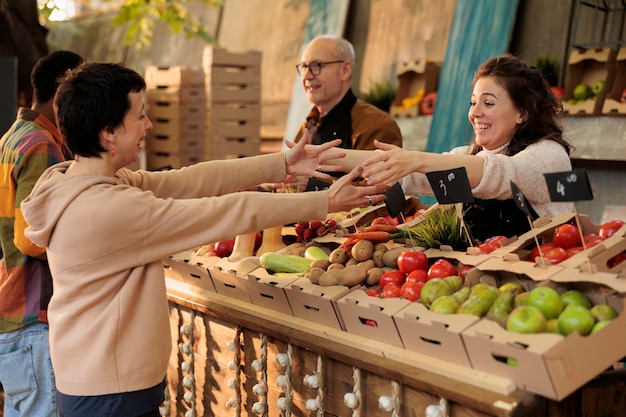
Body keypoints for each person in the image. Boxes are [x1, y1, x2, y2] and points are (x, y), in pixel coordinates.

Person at [20, 62, 388, 417]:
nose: (148, 125)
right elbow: (224, 212)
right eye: (139, 115)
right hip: (111, 394)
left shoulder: (78, 181)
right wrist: (324, 202)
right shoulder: (109, 209)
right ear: (109, 131)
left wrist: (281, 165)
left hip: (97, 383)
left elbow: (188, 180)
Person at [323, 54, 574, 241]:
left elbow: (501, 173)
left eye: (488, 103)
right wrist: (322, 157)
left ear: (522, 113)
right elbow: (404, 171)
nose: (474, 113)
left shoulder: (549, 155)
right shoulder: (470, 156)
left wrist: (418, 160)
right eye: (473, 102)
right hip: (481, 279)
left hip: (541, 282)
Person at [0, 49, 83, 417]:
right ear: (63, 87)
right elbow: (32, 238)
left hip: (13, 314)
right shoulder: (42, 144)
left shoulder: (12, 137)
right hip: (35, 315)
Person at [293, 35, 402, 151]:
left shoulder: (377, 126)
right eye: (304, 66)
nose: (307, 76)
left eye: (317, 65)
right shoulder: (305, 128)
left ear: (345, 70)